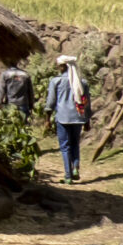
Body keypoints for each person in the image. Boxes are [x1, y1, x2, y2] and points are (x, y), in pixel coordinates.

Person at [44, 55, 90, 183]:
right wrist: (87, 121)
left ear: (62, 67)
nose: (57, 68)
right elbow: (86, 103)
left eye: (59, 66)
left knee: (65, 147)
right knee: (75, 144)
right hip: (78, 117)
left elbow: (51, 102)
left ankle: (68, 176)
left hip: (63, 118)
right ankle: (75, 167)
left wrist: (47, 119)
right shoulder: (83, 82)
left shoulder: (56, 81)